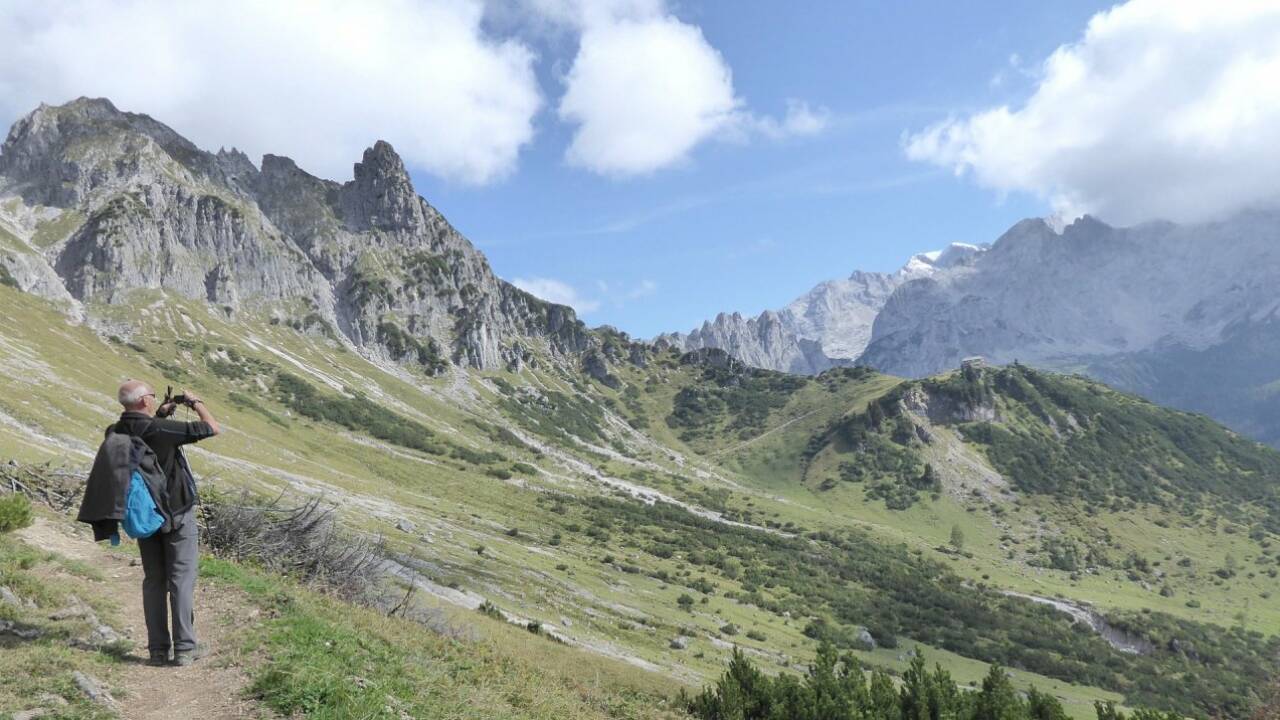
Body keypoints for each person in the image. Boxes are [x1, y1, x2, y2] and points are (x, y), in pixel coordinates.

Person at [113, 379, 219, 667]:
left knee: (154, 581)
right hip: (175, 514)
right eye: (152, 395)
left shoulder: (116, 431)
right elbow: (212, 427)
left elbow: (146, 440)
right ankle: (185, 647)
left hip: (144, 517)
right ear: (144, 401)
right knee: (181, 579)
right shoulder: (162, 430)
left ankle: (157, 650)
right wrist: (196, 402)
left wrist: (160, 414)